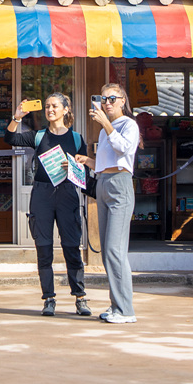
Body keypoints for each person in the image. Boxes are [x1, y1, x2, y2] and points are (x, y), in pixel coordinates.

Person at [6, 93, 90, 317]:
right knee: (43, 248)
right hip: (42, 193)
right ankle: (49, 299)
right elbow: (11, 139)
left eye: (54, 106)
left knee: (72, 246)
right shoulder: (38, 135)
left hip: (67, 193)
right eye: (46, 106)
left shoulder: (77, 139)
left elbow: (85, 172)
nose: (50, 110)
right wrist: (17, 117)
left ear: (65, 109)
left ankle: (80, 297)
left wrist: (72, 167)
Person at [73, 83, 140, 324]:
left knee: (115, 250)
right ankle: (116, 306)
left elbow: (124, 150)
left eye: (112, 98)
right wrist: (87, 161)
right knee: (106, 252)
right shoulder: (104, 131)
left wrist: (106, 124)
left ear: (123, 100)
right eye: (103, 99)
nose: (107, 103)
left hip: (119, 184)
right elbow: (106, 161)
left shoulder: (128, 125)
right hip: (103, 181)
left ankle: (125, 310)